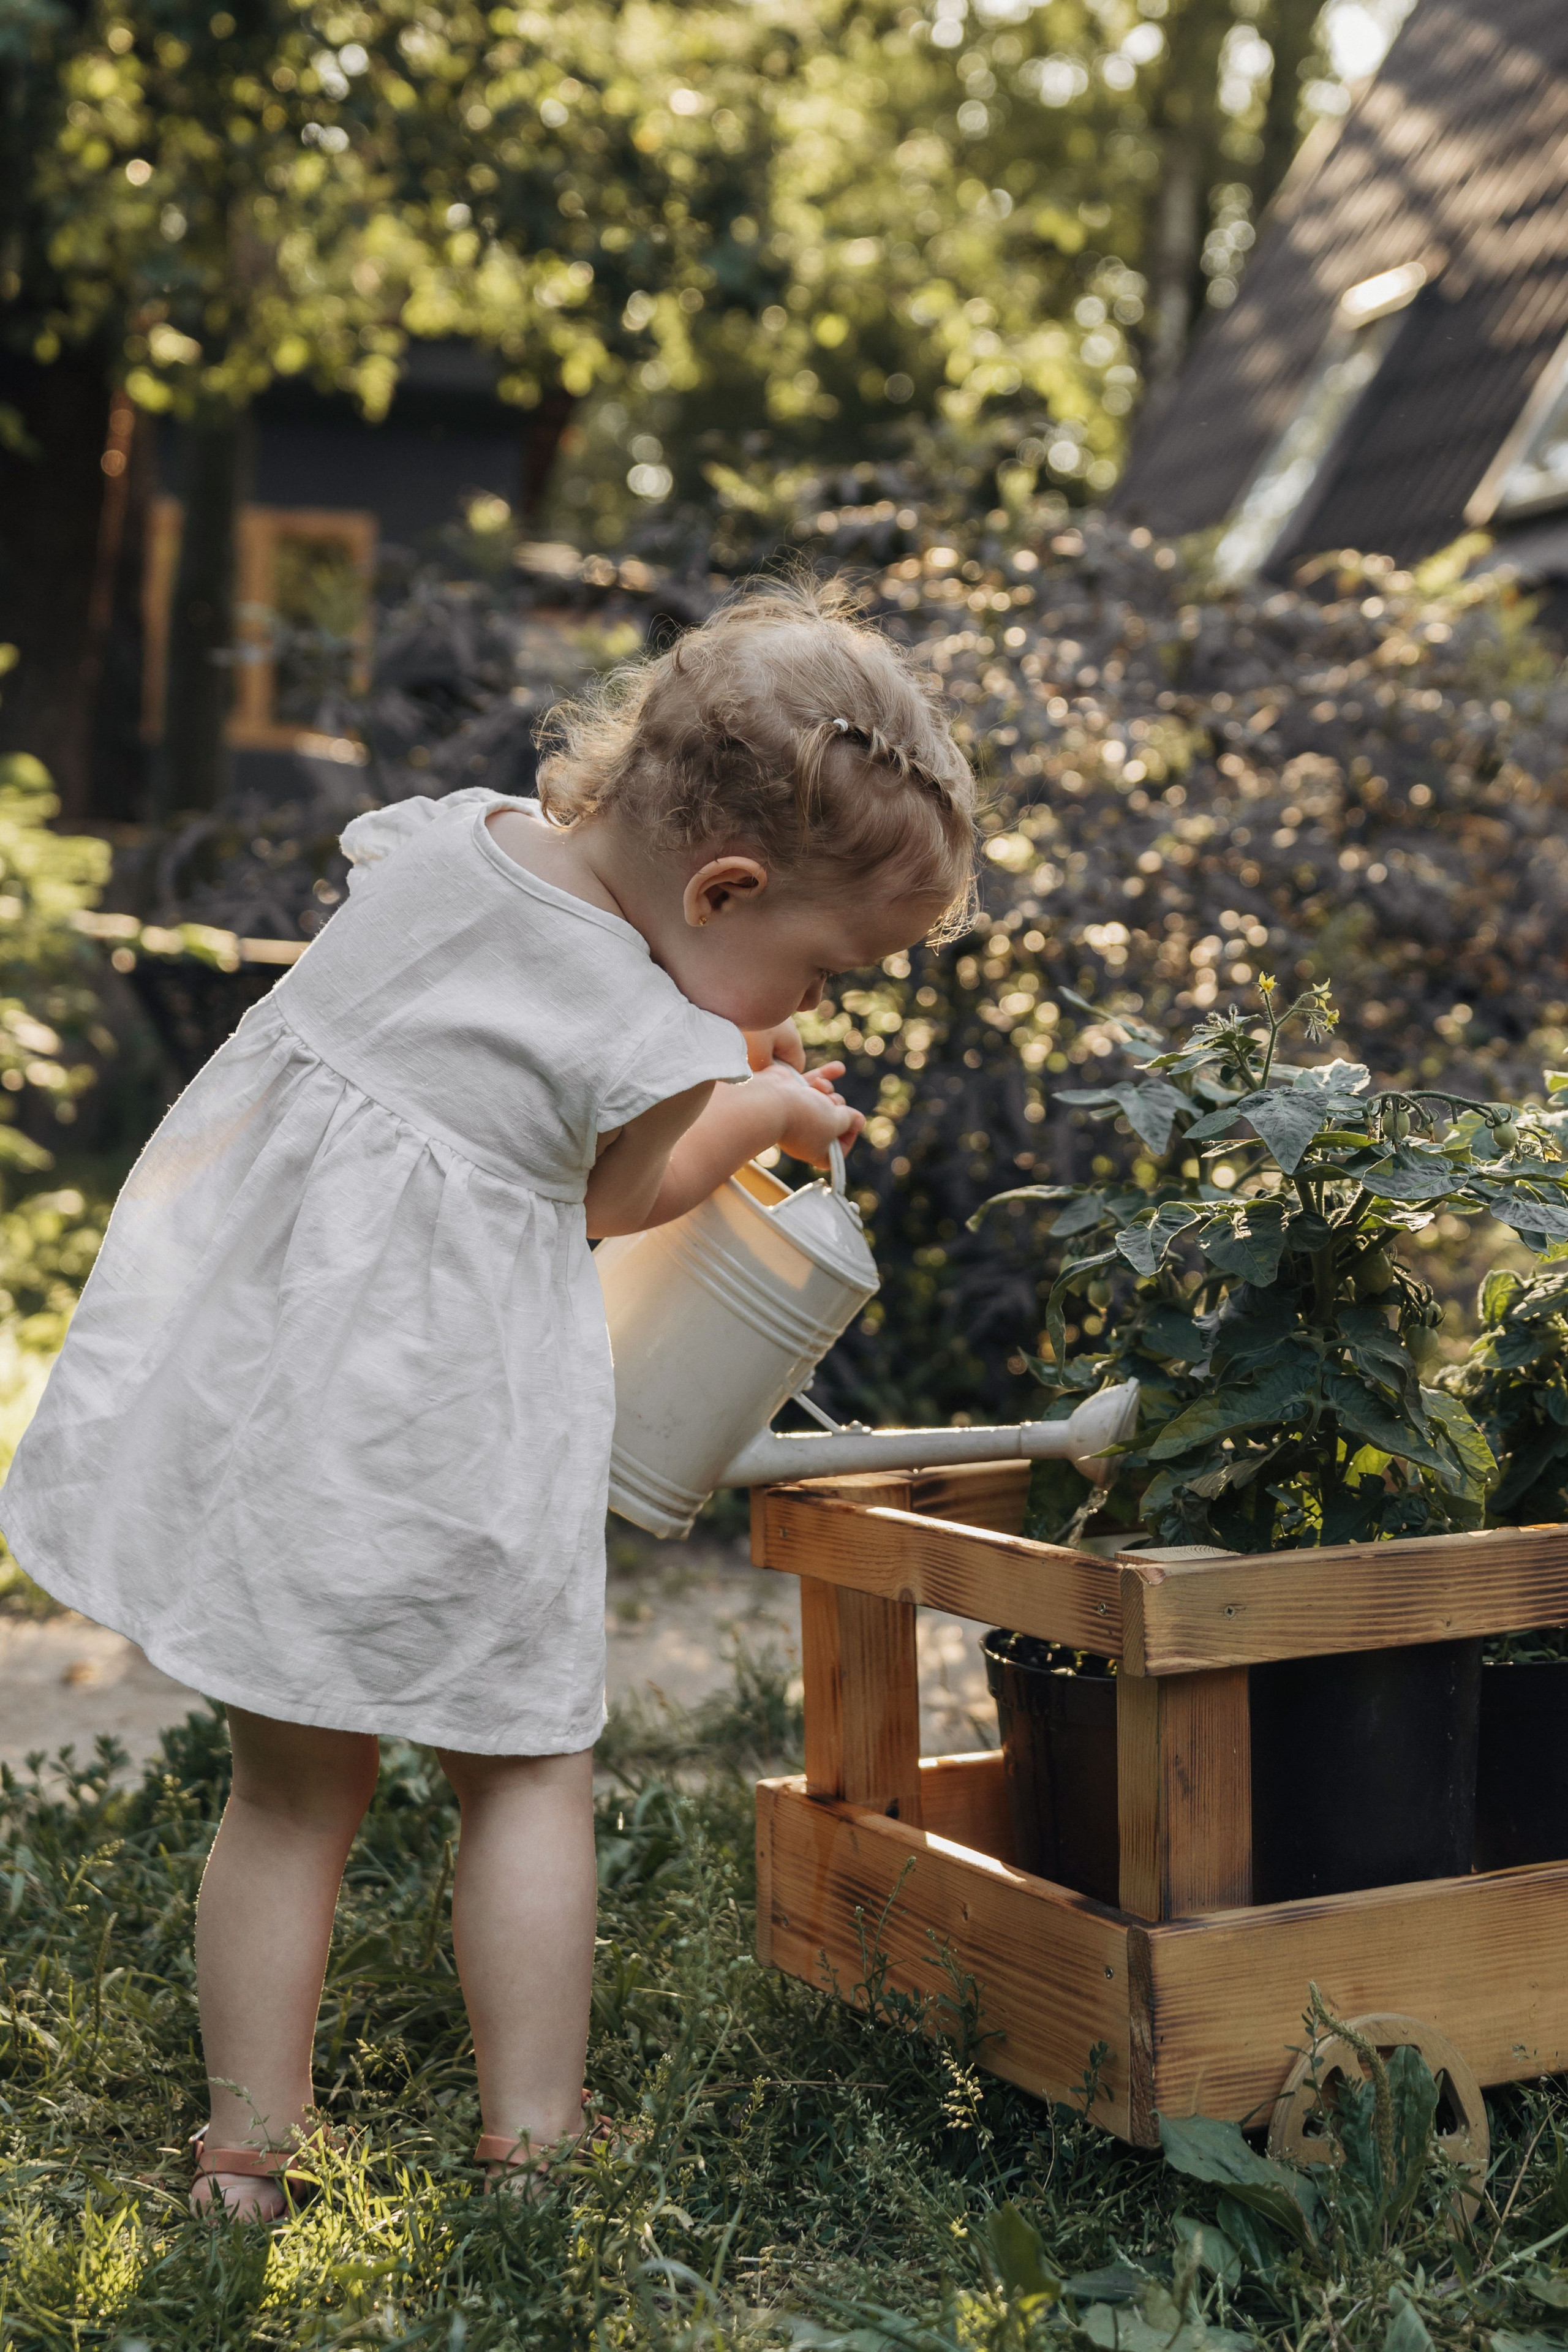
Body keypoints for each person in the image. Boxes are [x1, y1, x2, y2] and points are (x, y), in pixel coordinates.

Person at [0, 578, 978, 2218]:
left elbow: (483, 1063)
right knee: (522, 1770)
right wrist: (757, 1112)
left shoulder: (446, 848)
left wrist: (719, 1056)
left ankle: (245, 2154)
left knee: (289, 1793)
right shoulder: (638, 1019)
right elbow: (615, 1194)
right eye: (816, 968)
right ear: (724, 886)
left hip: (280, 1405)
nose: (805, 1009)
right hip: (448, 1429)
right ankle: (532, 2139)